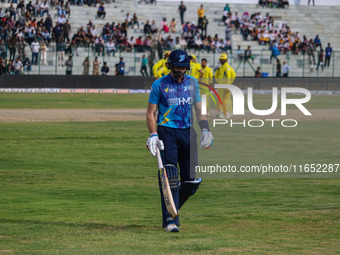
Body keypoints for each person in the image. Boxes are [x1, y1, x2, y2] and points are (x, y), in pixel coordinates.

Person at [146, 49, 213, 232]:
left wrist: (205, 129)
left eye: (184, 67)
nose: (181, 70)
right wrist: (153, 134)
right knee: (170, 177)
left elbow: (199, 110)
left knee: (190, 183)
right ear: (170, 65)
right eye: (177, 66)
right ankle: (170, 220)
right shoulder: (159, 85)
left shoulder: (192, 83)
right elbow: (150, 113)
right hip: (167, 132)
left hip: (187, 133)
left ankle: (171, 211)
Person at [215, 53, 236, 118]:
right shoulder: (221, 67)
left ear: (226, 60)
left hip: (225, 86)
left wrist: (228, 85)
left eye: (223, 59)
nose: (221, 60)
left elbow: (231, 76)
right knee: (221, 99)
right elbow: (217, 76)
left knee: (226, 99)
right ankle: (223, 112)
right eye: (221, 59)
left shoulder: (227, 67)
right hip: (221, 86)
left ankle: (228, 112)